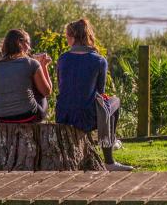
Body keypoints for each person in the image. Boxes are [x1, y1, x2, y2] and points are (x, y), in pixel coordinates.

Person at [56, 19, 133, 171]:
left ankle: (111, 142)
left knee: (105, 105)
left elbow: (62, 86)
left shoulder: (63, 59)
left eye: (67, 36)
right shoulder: (99, 60)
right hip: (87, 119)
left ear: (72, 37)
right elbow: (100, 92)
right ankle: (110, 156)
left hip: (62, 116)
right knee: (114, 101)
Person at [0, 29, 52, 123]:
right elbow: (47, 91)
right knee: (40, 93)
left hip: (1, 117)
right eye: (27, 43)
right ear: (19, 43)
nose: (29, 48)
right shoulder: (31, 63)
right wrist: (43, 65)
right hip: (28, 115)